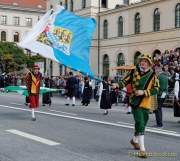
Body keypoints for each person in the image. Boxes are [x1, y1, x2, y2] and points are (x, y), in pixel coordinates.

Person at [118, 54, 159, 158]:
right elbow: (124, 81)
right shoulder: (133, 71)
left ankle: (134, 140)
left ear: (149, 63)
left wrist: (144, 92)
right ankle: (142, 150)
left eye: (145, 61)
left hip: (146, 103)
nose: (143, 62)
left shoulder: (153, 74)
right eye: (141, 61)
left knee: (142, 124)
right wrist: (117, 85)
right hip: (135, 102)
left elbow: (156, 89)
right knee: (140, 123)